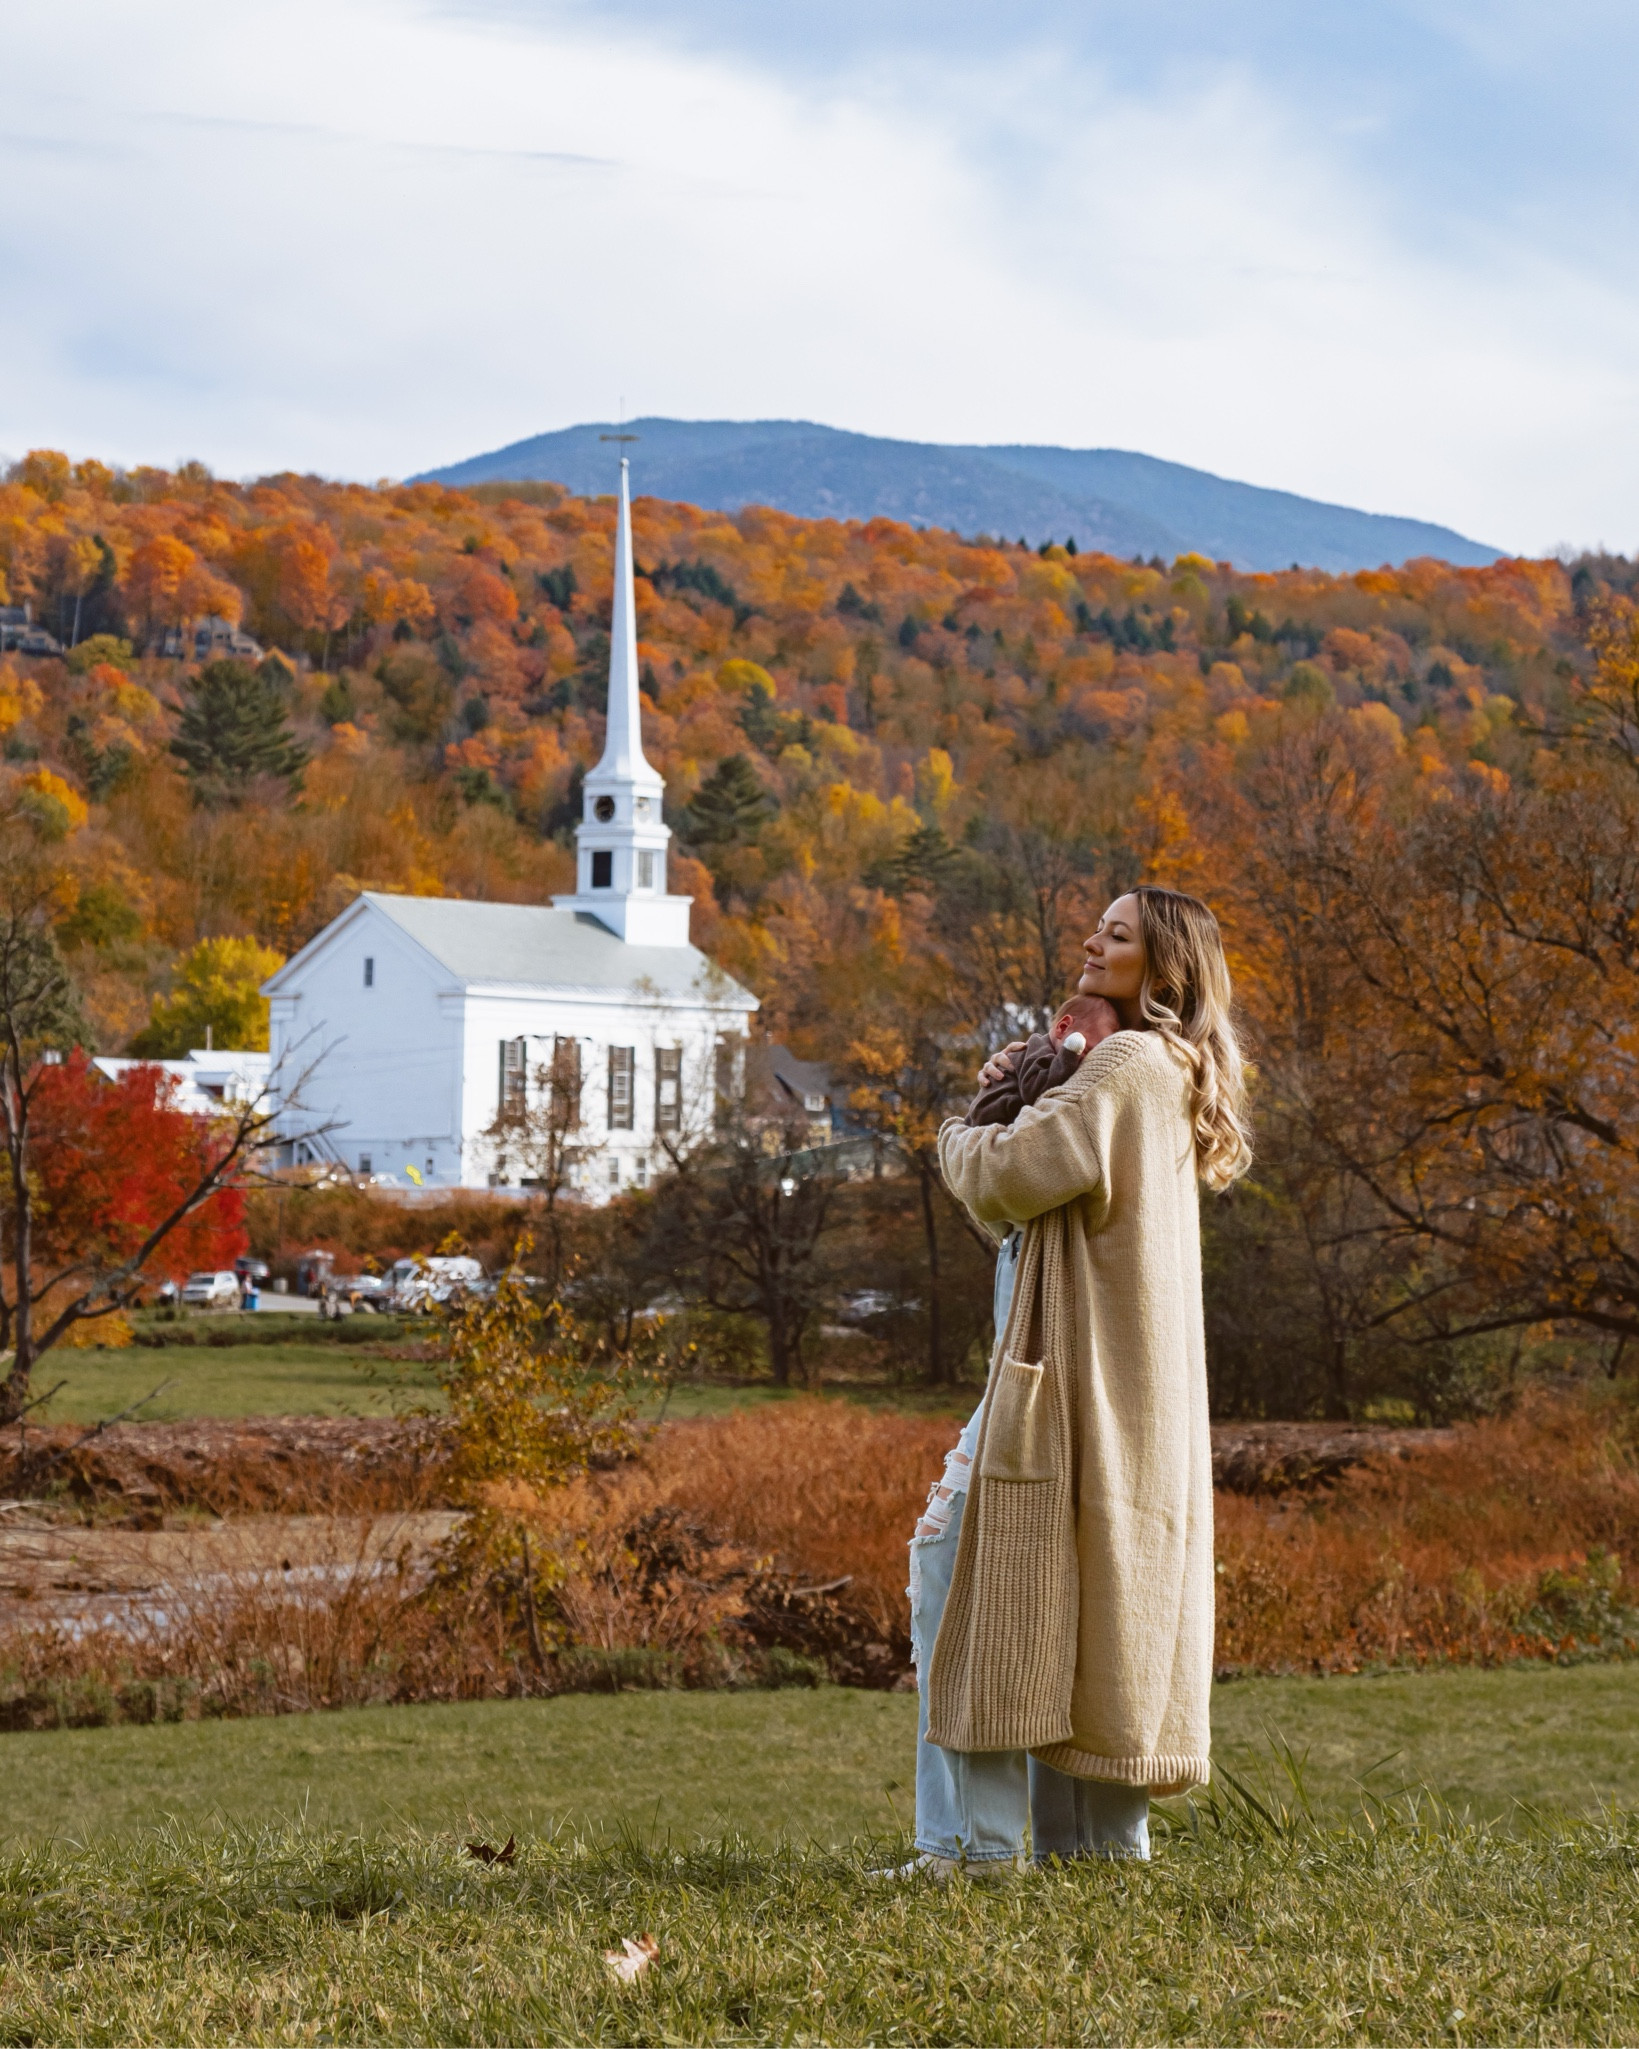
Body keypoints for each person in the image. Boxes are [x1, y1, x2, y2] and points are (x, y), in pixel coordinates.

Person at [898, 886, 1252, 1878]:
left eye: (1120, 933)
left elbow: (1007, 1177)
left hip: (1065, 1383)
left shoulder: (1133, 1060)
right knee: (1093, 1603)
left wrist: (974, 1122)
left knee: (963, 1578)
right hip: (1112, 1385)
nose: (1093, 941)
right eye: (1096, 926)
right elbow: (1034, 1212)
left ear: (1164, 969)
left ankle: (970, 1851)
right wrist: (1039, 1089)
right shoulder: (1152, 1068)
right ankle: (1087, 1849)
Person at [963, 992, 1115, 1128]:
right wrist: (1069, 1054)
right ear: (1062, 1027)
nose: (1083, 1062)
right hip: (991, 1118)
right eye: (1084, 1050)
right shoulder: (1038, 1051)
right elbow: (1034, 1091)